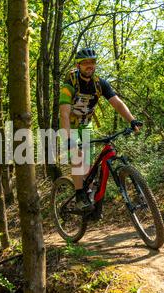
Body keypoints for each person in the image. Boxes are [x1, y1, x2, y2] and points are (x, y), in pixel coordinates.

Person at [59, 48, 143, 216]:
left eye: (92, 62)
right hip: (70, 125)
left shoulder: (100, 84)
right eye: (85, 63)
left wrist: (131, 120)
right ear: (78, 65)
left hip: (86, 125)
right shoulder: (69, 86)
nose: (89, 66)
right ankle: (79, 195)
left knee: (89, 166)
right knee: (78, 156)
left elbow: (117, 103)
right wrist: (68, 139)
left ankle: (89, 199)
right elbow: (64, 113)